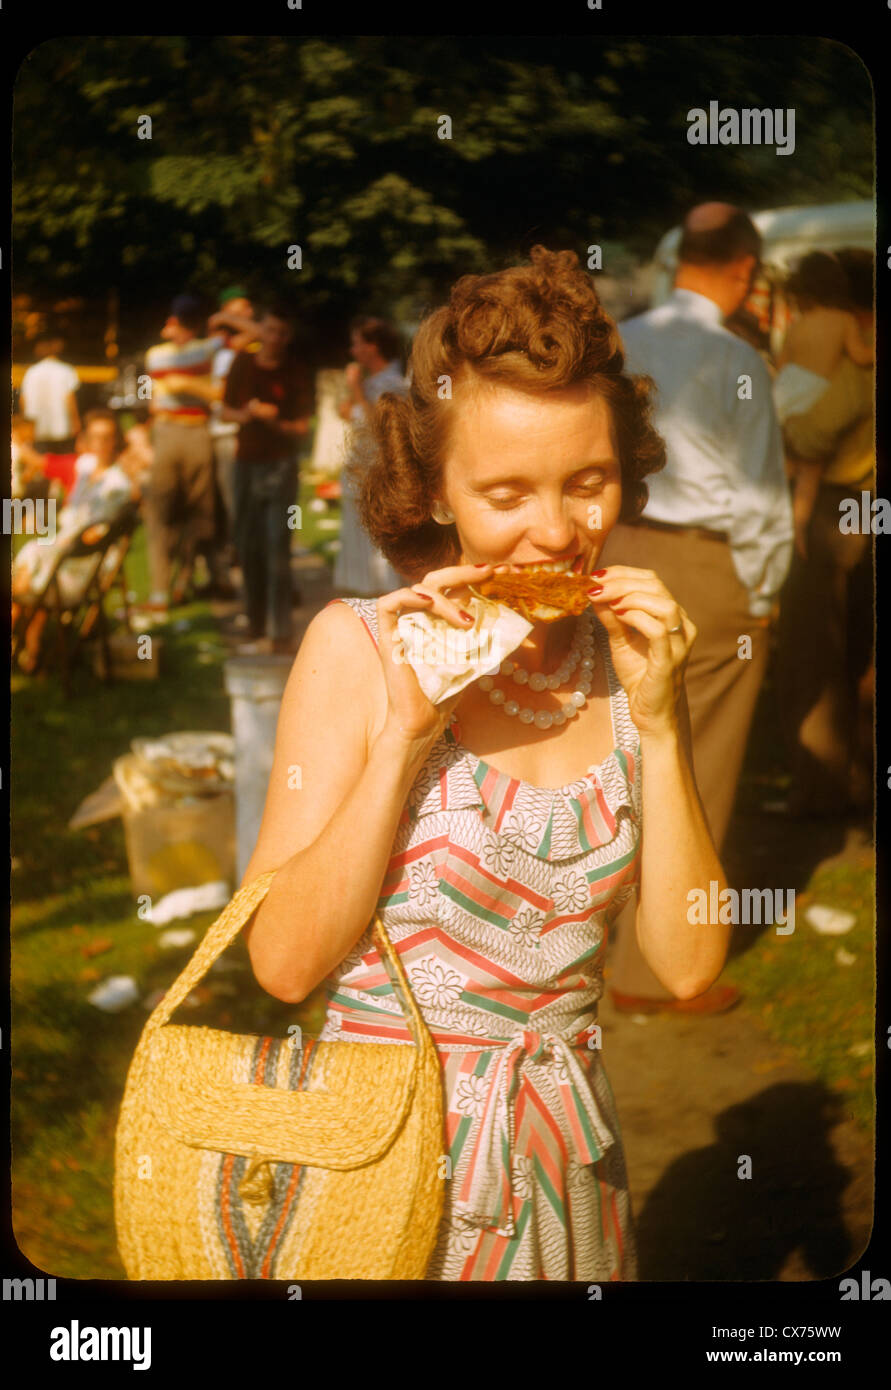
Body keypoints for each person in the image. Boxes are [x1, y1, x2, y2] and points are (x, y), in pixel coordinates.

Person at [238, 245, 730, 1281]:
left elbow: (688, 966)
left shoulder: (630, 662)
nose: (557, 530)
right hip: (382, 1166)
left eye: (589, 482)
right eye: (507, 492)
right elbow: (281, 965)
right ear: (435, 493)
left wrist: (662, 720)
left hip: (566, 1169)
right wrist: (407, 737)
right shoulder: (360, 651)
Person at [599, 203, 793, 1015]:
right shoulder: (735, 357)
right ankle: (657, 973)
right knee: (696, 764)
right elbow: (758, 498)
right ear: (744, 271)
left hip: (615, 552)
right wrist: (763, 592)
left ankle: (586, 936)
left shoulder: (620, 342)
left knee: (610, 754)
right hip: (705, 564)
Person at [776, 248, 874, 816]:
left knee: (813, 651)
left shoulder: (855, 361)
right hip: (863, 505)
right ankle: (856, 781)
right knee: (855, 647)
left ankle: (819, 793)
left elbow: (815, 431)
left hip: (838, 507)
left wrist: (780, 444)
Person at [12, 410, 137, 673]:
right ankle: (29, 650)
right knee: (32, 564)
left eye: (108, 438)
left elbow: (93, 537)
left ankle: (24, 647)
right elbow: (44, 464)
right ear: (86, 442)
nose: (101, 445)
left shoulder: (117, 486)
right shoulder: (84, 468)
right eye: (95, 438)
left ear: (117, 441)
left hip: (82, 566)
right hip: (63, 556)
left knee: (27, 576)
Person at [221, 303, 312, 653]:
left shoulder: (295, 371)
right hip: (244, 463)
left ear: (288, 338)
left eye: (281, 333)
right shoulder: (242, 363)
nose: (274, 338)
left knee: (277, 546)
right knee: (246, 545)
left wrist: (276, 422)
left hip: (279, 465)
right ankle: (254, 622)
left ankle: (279, 631)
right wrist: (246, 414)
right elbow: (225, 410)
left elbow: (302, 429)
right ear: (260, 330)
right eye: (269, 330)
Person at [141, 294, 227, 613]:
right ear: (170, 323)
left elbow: (217, 392)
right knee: (161, 509)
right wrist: (193, 384)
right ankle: (160, 589)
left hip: (197, 431)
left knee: (197, 512)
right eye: (179, 321)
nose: (182, 328)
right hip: (167, 430)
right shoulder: (158, 354)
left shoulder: (206, 348)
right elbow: (157, 396)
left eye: (189, 323)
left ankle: (183, 581)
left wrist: (182, 383)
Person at [333, 317, 408, 596]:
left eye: (357, 344)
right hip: (362, 470)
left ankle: (385, 596)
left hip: (377, 471)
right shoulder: (376, 381)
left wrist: (355, 389)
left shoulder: (392, 383)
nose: (353, 351)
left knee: (376, 540)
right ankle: (371, 598)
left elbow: (377, 426)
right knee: (361, 539)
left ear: (372, 348)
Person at [773, 251, 874, 424]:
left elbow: (781, 367)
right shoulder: (843, 319)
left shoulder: (797, 325)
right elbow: (860, 356)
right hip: (816, 389)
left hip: (785, 386)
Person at [208, 287, 257, 571]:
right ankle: (235, 552)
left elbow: (258, 332)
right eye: (240, 312)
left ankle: (241, 551)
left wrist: (227, 317)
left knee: (238, 497)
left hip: (235, 430)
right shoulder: (219, 348)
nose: (247, 316)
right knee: (229, 499)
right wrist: (224, 317)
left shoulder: (244, 347)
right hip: (219, 430)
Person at [19, 331, 82, 454]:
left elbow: (23, 399)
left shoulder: (31, 371)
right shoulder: (67, 370)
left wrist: (25, 425)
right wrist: (75, 421)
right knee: (60, 462)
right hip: (61, 427)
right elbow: (69, 398)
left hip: (36, 428)